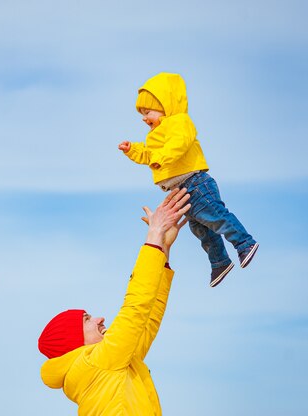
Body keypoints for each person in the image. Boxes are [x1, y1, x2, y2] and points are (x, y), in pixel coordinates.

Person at [38, 188, 190, 416]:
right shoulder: (98, 360)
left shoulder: (113, 361)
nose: (100, 319)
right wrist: (154, 237)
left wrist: (164, 252)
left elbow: (147, 319)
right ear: (74, 340)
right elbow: (135, 307)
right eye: (87, 319)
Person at [118, 72, 258, 287]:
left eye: (148, 111)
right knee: (201, 230)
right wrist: (132, 150)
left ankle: (244, 243)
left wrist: (160, 158)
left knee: (215, 217)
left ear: (166, 105)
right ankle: (219, 261)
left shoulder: (179, 122)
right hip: (180, 189)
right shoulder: (155, 135)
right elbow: (149, 155)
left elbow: (179, 145)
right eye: (142, 114)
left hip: (196, 183)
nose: (145, 118)